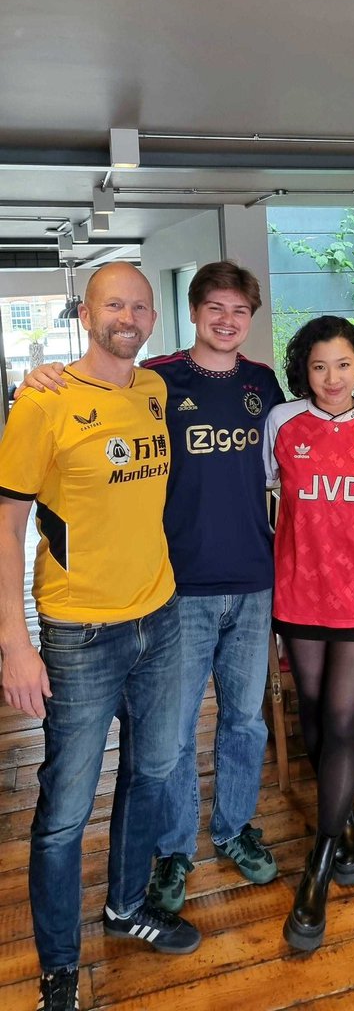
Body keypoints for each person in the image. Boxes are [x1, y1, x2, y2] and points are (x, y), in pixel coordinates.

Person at [24, 260, 354, 916]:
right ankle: (173, 853)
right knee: (175, 737)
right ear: (192, 312)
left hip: (256, 580)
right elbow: (96, 386)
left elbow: (318, 424)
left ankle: (234, 828)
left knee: (245, 723)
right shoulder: (155, 379)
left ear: (250, 319)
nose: (226, 321)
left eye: (239, 311)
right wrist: (43, 376)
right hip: (177, 589)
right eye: (214, 308)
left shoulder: (263, 384)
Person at [0, 263, 200, 1011]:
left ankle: (125, 907)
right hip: (79, 631)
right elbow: (9, 524)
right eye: (114, 303)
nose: (128, 315)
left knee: (152, 773)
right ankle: (58, 963)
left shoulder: (152, 390)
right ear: (86, 313)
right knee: (63, 809)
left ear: (152, 318)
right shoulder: (41, 400)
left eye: (140, 305)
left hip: (162, 616)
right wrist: (13, 644)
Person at [263, 315, 354, 952]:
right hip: (298, 587)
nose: (331, 378)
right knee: (314, 715)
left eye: (343, 364)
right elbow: (272, 491)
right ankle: (344, 825)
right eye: (319, 366)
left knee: (345, 720)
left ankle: (318, 866)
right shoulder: (282, 424)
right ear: (304, 370)